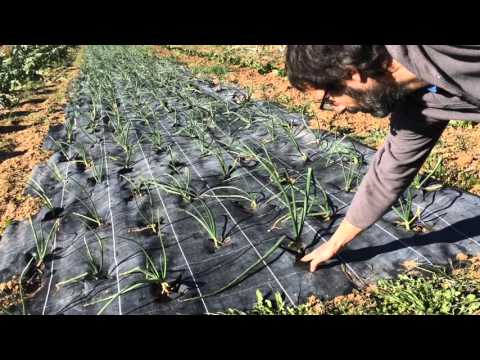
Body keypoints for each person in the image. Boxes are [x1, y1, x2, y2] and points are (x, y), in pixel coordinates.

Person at [285, 45, 480, 272]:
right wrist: (335, 243)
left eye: (329, 99)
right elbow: (390, 172)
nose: (336, 109)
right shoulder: (417, 104)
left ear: (351, 74)